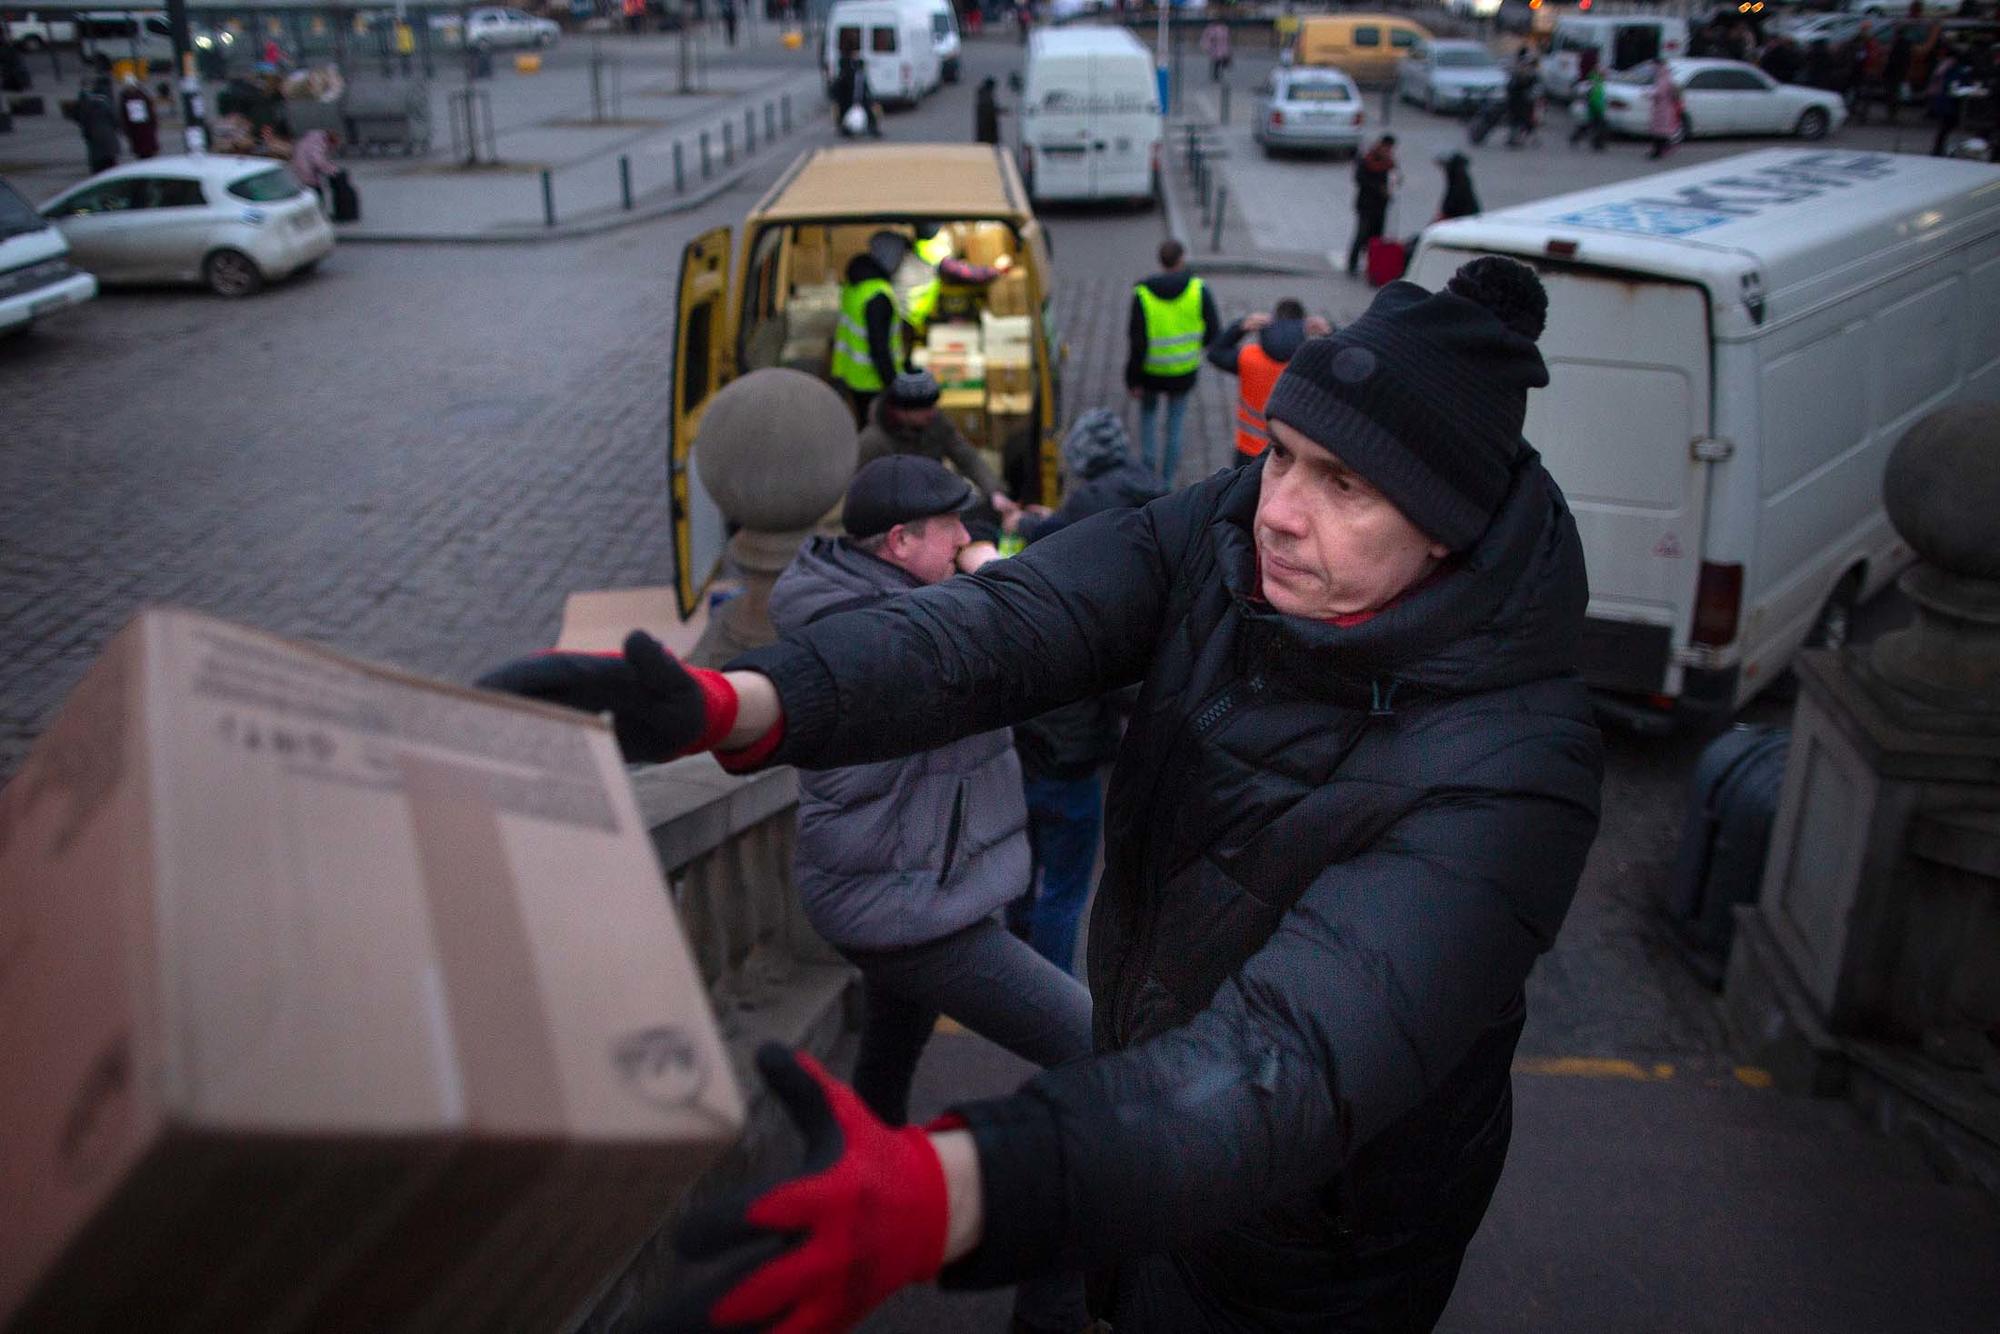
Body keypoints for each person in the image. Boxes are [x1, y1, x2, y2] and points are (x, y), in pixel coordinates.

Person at [521, 255, 1603, 1334]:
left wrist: (963, 1189)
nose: (1277, 508)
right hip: (1145, 1134)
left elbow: (1288, 1061)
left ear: (1446, 526)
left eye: (1344, 485)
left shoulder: (1516, 770)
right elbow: (1011, 623)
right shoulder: (1230, 530)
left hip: (1296, 1255)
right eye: (1280, 452)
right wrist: (748, 701)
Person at [999, 410, 1166, 976]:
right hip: (1073, 767)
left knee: (1028, 877)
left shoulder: (1028, 607)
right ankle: (1049, 992)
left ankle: (1017, 971)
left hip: (1030, 757)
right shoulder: (1146, 500)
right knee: (1065, 892)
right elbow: (1127, 690)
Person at [1126, 238, 1222, 487]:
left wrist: (1132, 380)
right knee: (1175, 424)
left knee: (1148, 417)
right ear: (1182, 259)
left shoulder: (1143, 293)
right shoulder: (1198, 289)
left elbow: (1137, 342)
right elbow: (1214, 332)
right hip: (1183, 372)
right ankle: (1167, 481)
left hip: (1150, 373)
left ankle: (1148, 474)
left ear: (1161, 261)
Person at [856, 370, 1015, 517]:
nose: (932, 412)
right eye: (924, 408)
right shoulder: (873, 442)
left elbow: (967, 456)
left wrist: (994, 492)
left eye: (933, 405)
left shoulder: (936, 423)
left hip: (933, 499)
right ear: (902, 410)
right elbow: (866, 496)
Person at [1204, 298, 1329, 466]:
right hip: (1288, 453)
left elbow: (1215, 353)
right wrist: (1331, 332)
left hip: (1248, 449)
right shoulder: (1311, 363)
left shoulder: (1248, 357)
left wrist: (1239, 327)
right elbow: (1349, 365)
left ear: (1274, 320)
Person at [833, 231, 912, 427]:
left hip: (853, 377)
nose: (901, 263)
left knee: (865, 427)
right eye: (900, 257)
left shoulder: (855, 283)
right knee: (879, 433)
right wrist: (893, 385)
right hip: (873, 382)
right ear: (890, 257)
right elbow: (879, 346)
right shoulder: (878, 295)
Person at [1345, 134, 1397, 279]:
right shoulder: (1367, 159)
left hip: (1381, 205)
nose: (1388, 150)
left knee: (1376, 237)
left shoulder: (1389, 162)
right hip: (1366, 204)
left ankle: (1373, 265)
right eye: (1387, 147)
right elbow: (1360, 179)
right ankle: (1352, 263)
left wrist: (1394, 183)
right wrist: (1378, 188)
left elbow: (1393, 177)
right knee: (1362, 234)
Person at [76, 76, 120, 175]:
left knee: (98, 160)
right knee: (109, 159)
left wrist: (86, 133)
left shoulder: (87, 101)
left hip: (94, 136)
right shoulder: (105, 101)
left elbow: (83, 120)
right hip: (108, 135)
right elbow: (114, 118)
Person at [290, 126, 339, 208]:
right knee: (316, 193)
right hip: (306, 170)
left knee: (308, 191)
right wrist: (332, 170)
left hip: (299, 166)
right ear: (330, 141)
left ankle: (314, 208)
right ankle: (318, 210)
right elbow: (318, 161)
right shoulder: (319, 143)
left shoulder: (313, 138)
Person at [115, 74, 158, 160]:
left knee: (147, 151)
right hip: (135, 130)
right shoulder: (126, 97)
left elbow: (150, 112)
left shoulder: (141, 95)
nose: (131, 88)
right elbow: (123, 115)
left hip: (145, 128)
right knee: (141, 152)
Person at [1504, 47, 1539, 147]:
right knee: (1519, 118)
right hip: (1519, 98)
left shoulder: (1523, 70)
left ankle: (1517, 138)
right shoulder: (1520, 71)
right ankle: (1515, 138)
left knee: (1521, 119)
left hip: (1521, 98)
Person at [1648, 59, 1682, 159]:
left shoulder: (1663, 78)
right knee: (1660, 131)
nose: (1653, 69)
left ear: (1659, 66)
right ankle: (1660, 150)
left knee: (1659, 131)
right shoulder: (1664, 76)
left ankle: (1658, 152)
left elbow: (1660, 92)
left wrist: (1648, 94)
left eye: (1654, 66)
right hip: (1663, 107)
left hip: (1663, 108)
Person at [1570, 64, 1608, 150]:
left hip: (1594, 108)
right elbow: (1595, 97)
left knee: (1590, 125)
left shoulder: (1597, 82)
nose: (1605, 74)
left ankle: (1577, 138)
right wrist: (1599, 108)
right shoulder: (1595, 83)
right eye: (1603, 72)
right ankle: (1597, 144)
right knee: (1599, 126)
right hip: (1595, 108)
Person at [1435, 149, 1481, 218]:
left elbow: (1456, 194)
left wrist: (1446, 210)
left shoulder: (1456, 174)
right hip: (1465, 211)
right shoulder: (1458, 171)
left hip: (1463, 214)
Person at [974, 74, 1006, 144]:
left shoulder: (983, 94)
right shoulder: (986, 96)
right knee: (987, 144)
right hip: (987, 127)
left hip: (985, 126)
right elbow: (989, 109)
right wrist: (1001, 110)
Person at [1201, 18, 1232, 83]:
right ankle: (1216, 76)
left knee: (1223, 60)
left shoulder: (1224, 28)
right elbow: (1207, 38)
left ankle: (1220, 73)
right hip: (1215, 48)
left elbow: (1227, 38)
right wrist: (1207, 47)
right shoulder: (1211, 28)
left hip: (1223, 48)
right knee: (1216, 62)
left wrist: (1228, 47)